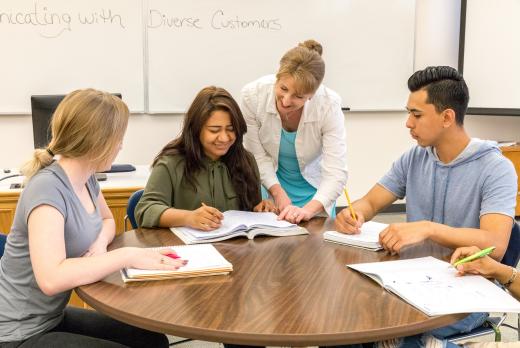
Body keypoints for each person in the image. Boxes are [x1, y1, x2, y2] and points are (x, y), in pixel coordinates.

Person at [335, 66, 517, 347]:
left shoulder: (496, 168)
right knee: (347, 320)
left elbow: (496, 243)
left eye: (416, 115)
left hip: (464, 291)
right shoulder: (414, 157)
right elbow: (371, 202)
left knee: (388, 330)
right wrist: (353, 212)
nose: (408, 123)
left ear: (447, 117)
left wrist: (427, 229)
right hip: (411, 283)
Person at [0, 89, 183, 347]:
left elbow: (108, 221)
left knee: (151, 341)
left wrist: (98, 246)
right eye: (118, 138)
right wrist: (126, 256)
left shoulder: (86, 178)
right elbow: (52, 279)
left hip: (50, 317)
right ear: (97, 141)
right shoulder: (46, 190)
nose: (121, 145)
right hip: (17, 331)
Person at [135, 86, 276, 230]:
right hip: (186, 248)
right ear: (196, 129)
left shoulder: (246, 160)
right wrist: (188, 218)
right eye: (214, 130)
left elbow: (252, 210)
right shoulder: (171, 163)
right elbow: (145, 210)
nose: (224, 138)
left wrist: (261, 209)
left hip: (236, 248)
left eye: (231, 129)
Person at [241, 39, 348, 224]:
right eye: (283, 89)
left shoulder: (328, 105)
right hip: (269, 184)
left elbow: (335, 172)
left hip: (314, 192)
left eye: (298, 96)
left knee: (313, 247)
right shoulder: (253, 96)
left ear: (312, 95)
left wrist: (307, 211)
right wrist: (278, 192)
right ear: (277, 76)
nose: (286, 101)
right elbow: (256, 156)